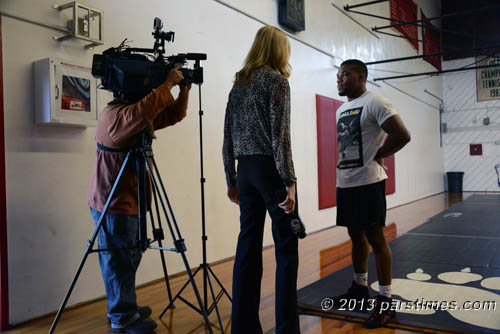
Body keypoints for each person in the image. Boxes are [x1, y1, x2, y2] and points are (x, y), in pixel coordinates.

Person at [87, 67, 190, 334]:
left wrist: (184, 89)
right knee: (118, 258)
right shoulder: (117, 115)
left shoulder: (133, 114)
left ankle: (124, 307)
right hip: (113, 202)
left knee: (128, 254)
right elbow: (144, 112)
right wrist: (167, 83)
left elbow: (174, 114)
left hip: (129, 199)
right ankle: (122, 316)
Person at [222, 26, 300, 334]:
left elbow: (227, 134)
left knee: (247, 247)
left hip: (245, 173)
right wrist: (290, 181)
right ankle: (286, 329)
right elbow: (281, 136)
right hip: (270, 170)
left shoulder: (238, 83)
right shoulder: (277, 81)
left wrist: (230, 177)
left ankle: (243, 328)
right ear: (278, 50)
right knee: (286, 247)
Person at [333, 59, 411, 328]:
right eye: (338, 75)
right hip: (346, 182)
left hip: (369, 183)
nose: (339, 79)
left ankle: (386, 301)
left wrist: (380, 154)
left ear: (361, 76)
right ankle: (359, 287)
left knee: (376, 238)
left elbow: (402, 134)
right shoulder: (342, 109)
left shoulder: (375, 101)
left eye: (345, 74)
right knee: (354, 235)